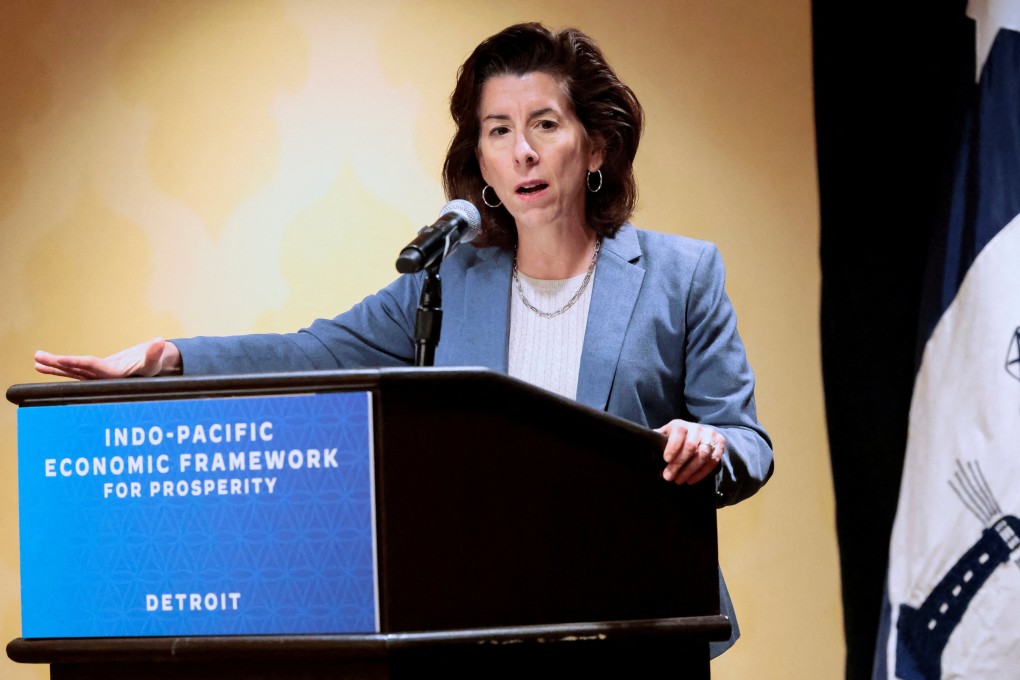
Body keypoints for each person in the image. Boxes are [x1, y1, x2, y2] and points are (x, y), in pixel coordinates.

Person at [34, 21, 773, 657]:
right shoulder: (450, 277)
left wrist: (708, 447)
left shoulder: (681, 273)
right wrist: (171, 358)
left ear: (596, 146)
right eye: (498, 130)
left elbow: (749, 442)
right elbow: (316, 351)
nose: (523, 152)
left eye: (546, 124)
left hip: (640, 620)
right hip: (484, 620)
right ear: (479, 161)